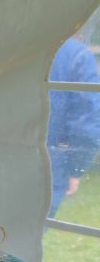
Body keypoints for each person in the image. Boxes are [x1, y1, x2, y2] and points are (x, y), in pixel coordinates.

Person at [47, 36, 100, 217]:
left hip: (7, 152)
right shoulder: (77, 54)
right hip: (53, 162)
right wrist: (76, 169)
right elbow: (87, 121)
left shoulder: (21, 46)